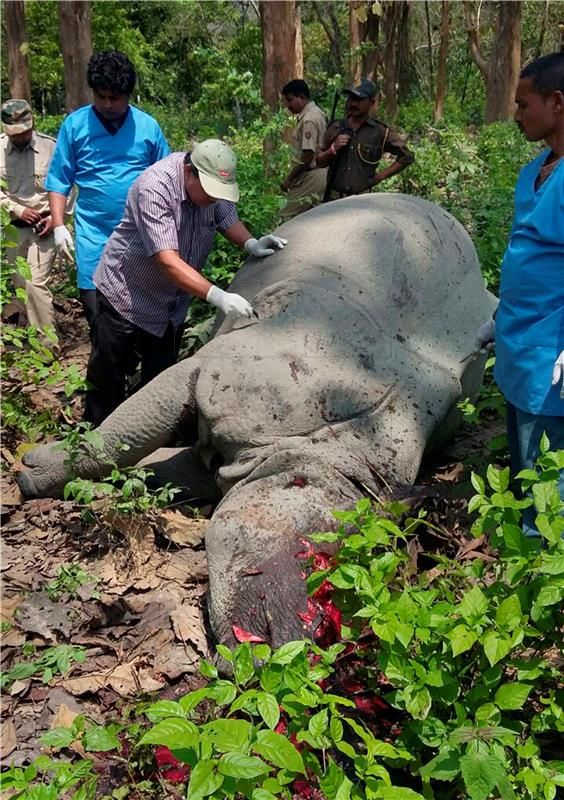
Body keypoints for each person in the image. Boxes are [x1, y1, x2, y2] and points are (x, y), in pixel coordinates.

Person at [84, 139, 287, 425]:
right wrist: (218, 296)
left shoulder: (210, 189)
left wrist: (250, 243)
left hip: (170, 305)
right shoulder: (154, 187)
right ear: (189, 171)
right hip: (127, 297)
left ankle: (145, 450)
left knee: (160, 383)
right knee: (108, 378)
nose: (214, 198)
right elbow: (167, 261)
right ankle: (93, 448)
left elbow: (226, 218)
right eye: (210, 192)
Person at [476, 52, 564, 535]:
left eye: (523, 104)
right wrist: (500, 317)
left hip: (552, 355)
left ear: (557, 102)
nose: (516, 115)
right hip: (520, 344)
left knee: (549, 485)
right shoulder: (534, 171)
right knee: (525, 465)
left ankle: (543, 584)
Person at [46, 50, 170, 329]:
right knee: (100, 320)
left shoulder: (147, 128)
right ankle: (107, 371)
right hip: (94, 238)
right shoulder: (75, 126)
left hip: (141, 237)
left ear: (128, 95)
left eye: (114, 97)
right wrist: (58, 225)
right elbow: (59, 179)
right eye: (100, 96)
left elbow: (167, 179)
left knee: (139, 316)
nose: (107, 104)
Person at [0, 100, 71, 339]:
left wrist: (58, 218)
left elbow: (68, 185)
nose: (19, 138)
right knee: (20, 285)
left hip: (45, 226)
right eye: (14, 134)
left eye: (24, 132)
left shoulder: (50, 148)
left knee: (35, 283)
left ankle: (48, 343)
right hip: (14, 229)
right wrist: (17, 210)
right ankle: (28, 332)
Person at [316, 78, 414, 201]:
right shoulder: (336, 127)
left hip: (363, 202)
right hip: (333, 200)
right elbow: (319, 162)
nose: (353, 104)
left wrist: (380, 177)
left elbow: (407, 156)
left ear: (372, 102)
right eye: (351, 99)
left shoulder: (380, 131)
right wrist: (332, 149)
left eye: (359, 100)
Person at [279, 79, 327, 220]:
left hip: (312, 176)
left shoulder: (309, 119)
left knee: (285, 217)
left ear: (301, 97)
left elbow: (307, 156)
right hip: (318, 174)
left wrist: (289, 178)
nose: (288, 105)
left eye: (290, 100)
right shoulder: (317, 112)